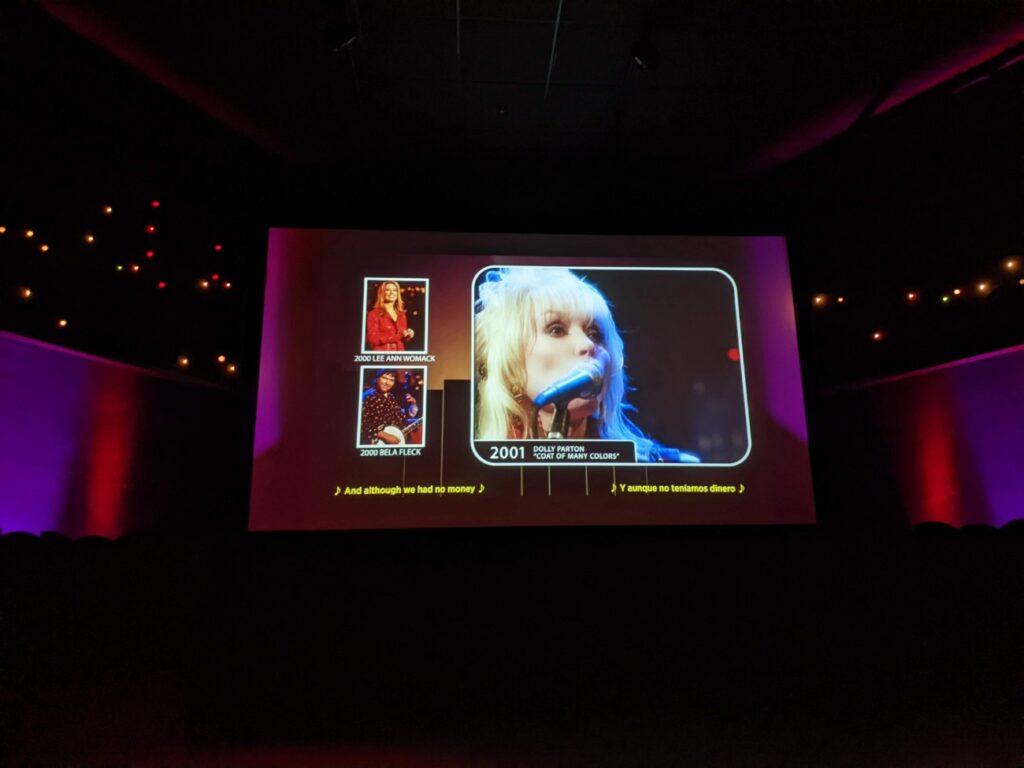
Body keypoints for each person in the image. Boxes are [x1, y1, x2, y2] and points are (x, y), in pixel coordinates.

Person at [474, 267, 699, 462]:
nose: (587, 344)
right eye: (556, 330)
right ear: (510, 366)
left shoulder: (659, 468)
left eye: (595, 333)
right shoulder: (478, 469)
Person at [360, 369, 419, 445]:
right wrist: (385, 436)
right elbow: (362, 424)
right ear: (376, 379)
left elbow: (400, 417)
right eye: (384, 378)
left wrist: (413, 404)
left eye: (391, 380)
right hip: (374, 444)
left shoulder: (390, 396)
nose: (387, 383)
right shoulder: (368, 396)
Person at [366, 280, 415, 351]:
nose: (392, 292)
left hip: (399, 356)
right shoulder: (374, 314)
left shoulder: (401, 314)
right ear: (381, 293)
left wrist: (408, 335)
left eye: (395, 290)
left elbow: (402, 339)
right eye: (388, 290)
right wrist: (398, 336)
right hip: (383, 356)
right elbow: (373, 339)